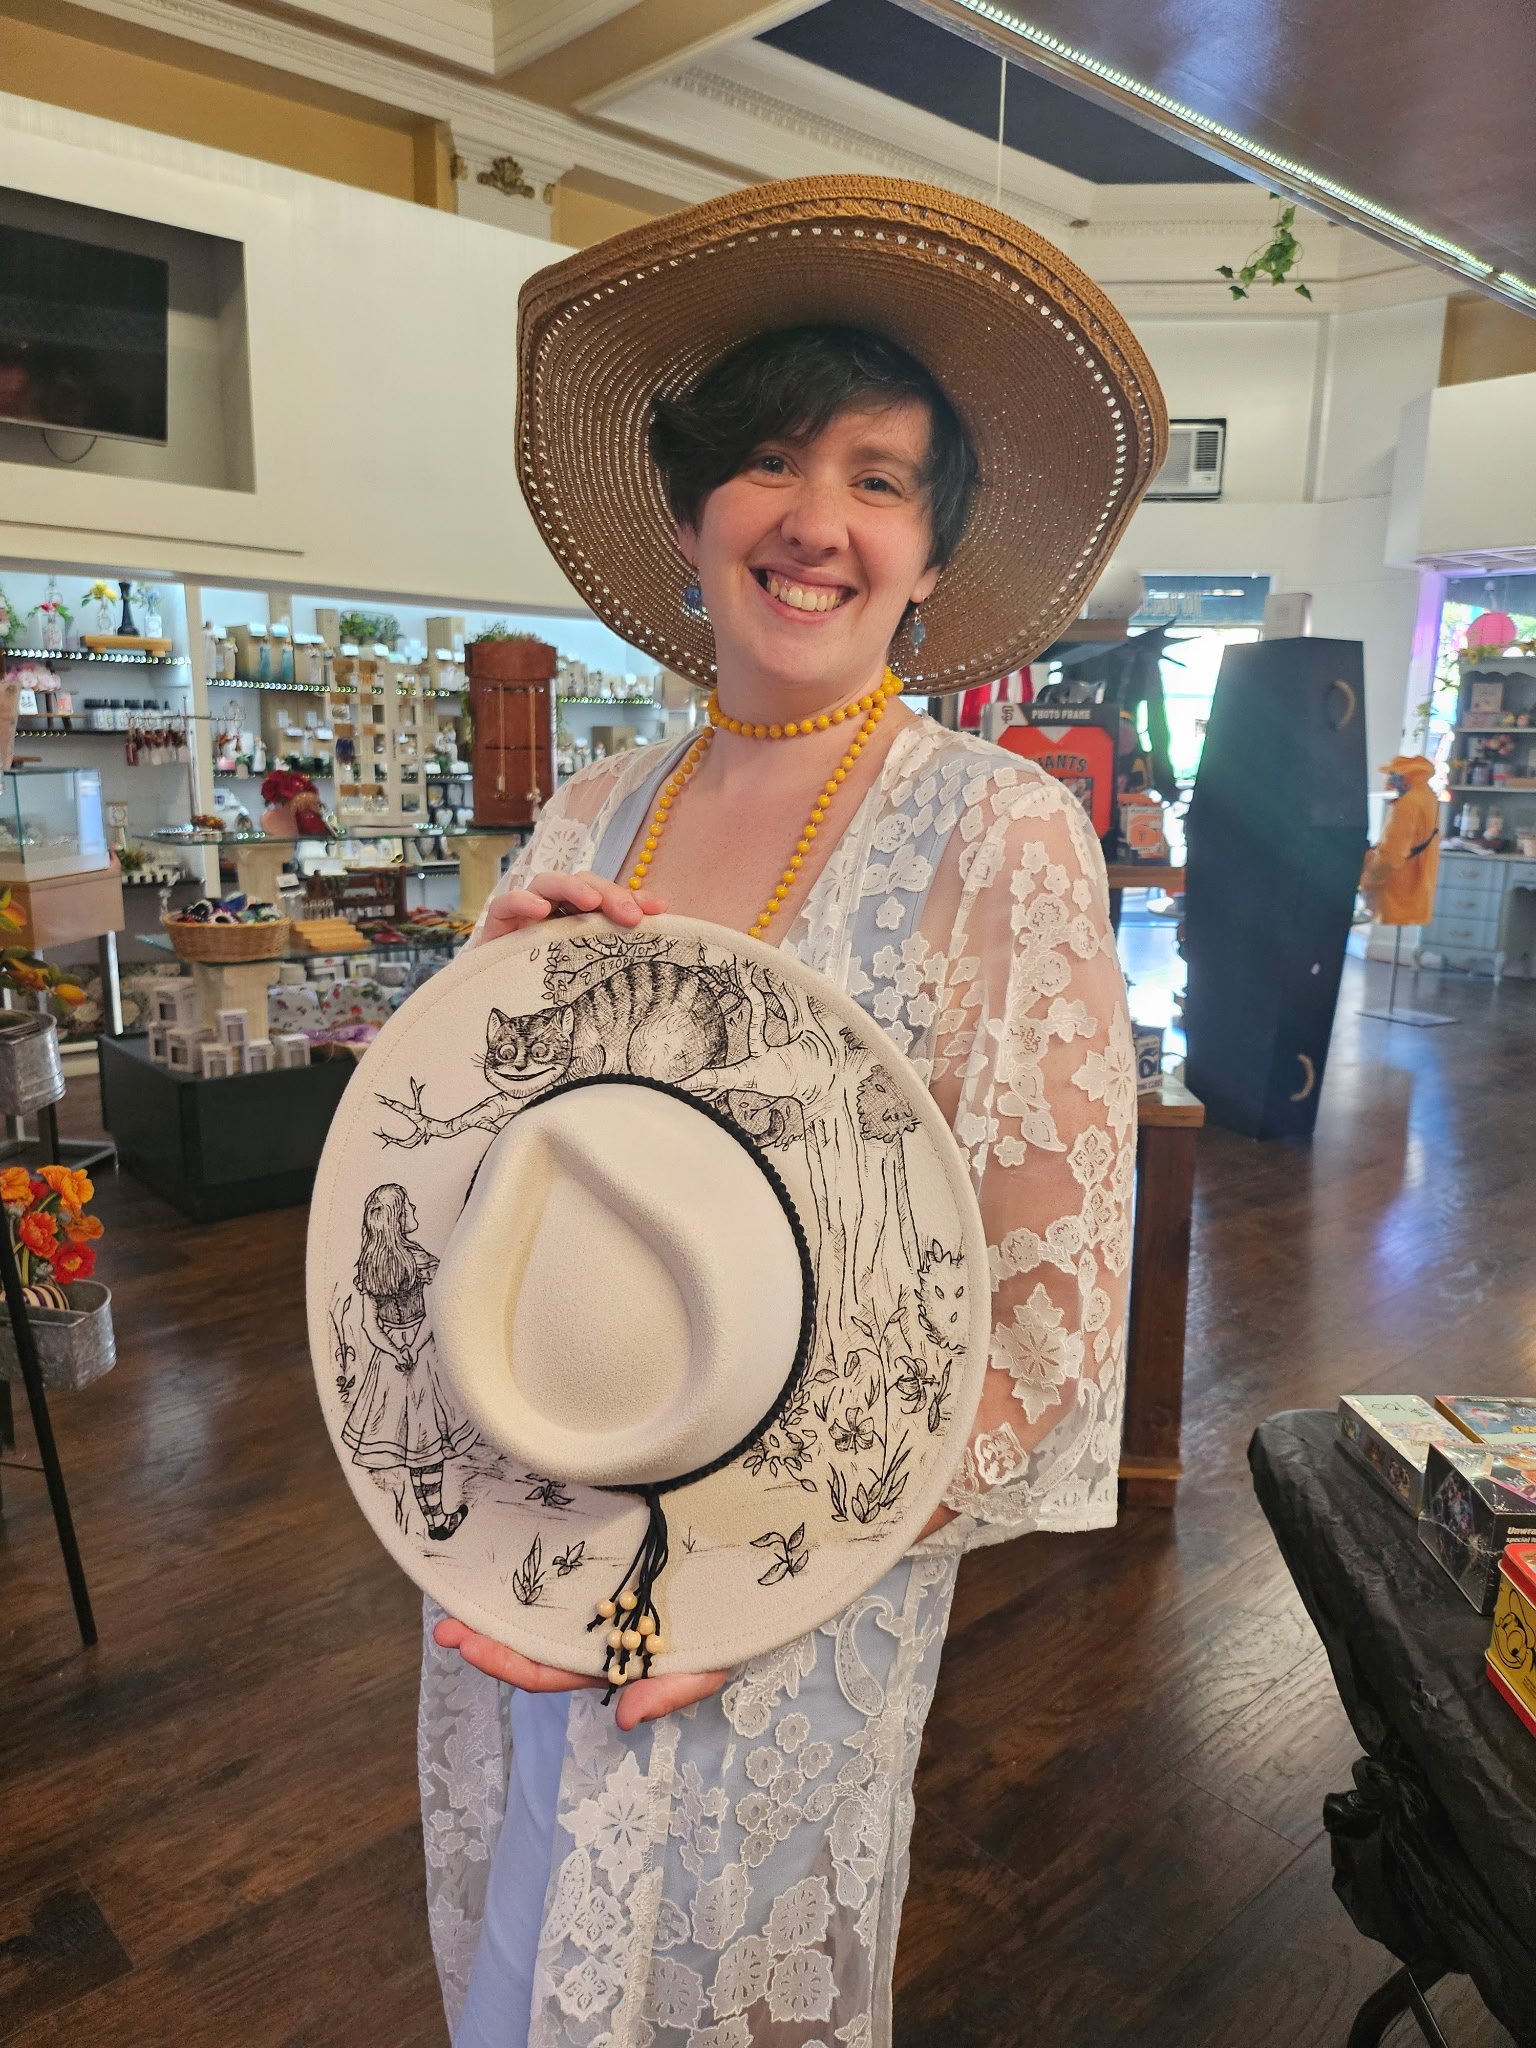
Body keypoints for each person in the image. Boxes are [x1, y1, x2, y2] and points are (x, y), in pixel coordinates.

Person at [418, 177, 1165, 2047]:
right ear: (690, 517)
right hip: (542, 1500)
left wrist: (750, 1587)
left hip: (795, 1591)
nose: (815, 520)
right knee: (529, 1964)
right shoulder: (595, 810)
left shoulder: (997, 832)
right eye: (765, 462)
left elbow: (1042, 1321)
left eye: (880, 478)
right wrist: (488, 1009)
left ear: (930, 551)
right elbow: (459, 1185)